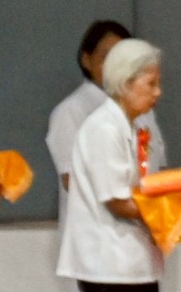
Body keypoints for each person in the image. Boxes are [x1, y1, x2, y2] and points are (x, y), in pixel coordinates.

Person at [48, 20, 166, 292]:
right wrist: (174, 211)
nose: (158, 93)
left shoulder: (128, 124)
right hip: (109, 264)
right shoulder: (103, 127)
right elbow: (118, 200)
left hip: (132, 260)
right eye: (151, 84)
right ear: (127, 83)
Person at [46, 20, 165, 198]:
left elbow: (156, 170)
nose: (114, 66)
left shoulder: (144, 110)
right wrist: (135, 205)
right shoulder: (70, 111)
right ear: (86, 60)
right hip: (100, 222)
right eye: (106, 58)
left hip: (141, 220)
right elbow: (72, 180)